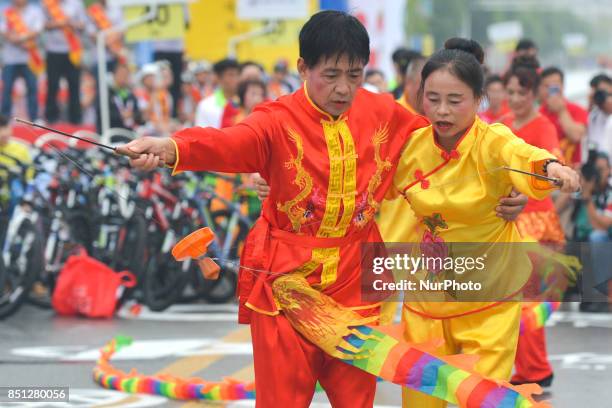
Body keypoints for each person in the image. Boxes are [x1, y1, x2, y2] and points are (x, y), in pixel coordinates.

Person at [121, 11, 431, 407]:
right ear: (303, 67)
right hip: (287, 279)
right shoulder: (276, 120)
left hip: (355, 278)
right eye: (331, 74)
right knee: (282, 399)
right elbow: (230, 142)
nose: (343, 88)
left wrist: (518, 179)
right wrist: (170, 147)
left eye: (354, 75)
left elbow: (441, 149)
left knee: (357, 400)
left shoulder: (383, 112)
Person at [387, 38, 579, 408]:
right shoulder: (410, 146)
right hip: (427, 297)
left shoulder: (492, 141)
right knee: (421, 401)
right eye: (433, 98)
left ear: (478, 100)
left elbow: (523, 156)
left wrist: (553, 169)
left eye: (455, 101)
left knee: (482, 399)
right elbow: (362, 180)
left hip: (486, 300)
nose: (442, 110)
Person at [501, 55, 563, 388]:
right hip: (509, 223)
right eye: (510, 91)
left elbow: (552, 175)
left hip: (537, 225)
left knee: (527, 302)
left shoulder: (544, 127)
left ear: (533, 94)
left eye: (521, 92)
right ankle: (529, 368)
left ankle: (535, 369)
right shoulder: (503, 125)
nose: (514, 98)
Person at [574, 151, 612, 313]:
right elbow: (558, 209)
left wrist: (588, 199)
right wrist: (573, 179)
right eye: (595, 170)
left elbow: (602, 225)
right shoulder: (585, 188)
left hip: (605, 236)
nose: (598, 174)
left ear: (610, 170)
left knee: (596, 238)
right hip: (589, 237)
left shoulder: (609, 193)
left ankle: (601, 295)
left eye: (602, 169)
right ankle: (586, 294)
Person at [42, 0, 85, 124]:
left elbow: (82, 25)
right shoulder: (47, 3)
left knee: (74, 85)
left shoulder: (76, 3)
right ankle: (51, 118)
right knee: (52, 85)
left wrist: (71, 23)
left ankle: (75, 119)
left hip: (73, 51)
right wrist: (59, 23)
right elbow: (42, 25)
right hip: (53, 51)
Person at [0, 0, 44, 121]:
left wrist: (21, 38)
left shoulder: (35, 11)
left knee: (32, 88)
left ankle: (34, 118)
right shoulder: (6, 12)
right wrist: (17, 39)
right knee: (7, 89)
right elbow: (3, 31)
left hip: (30, 58)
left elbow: (37, 30)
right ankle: (4, 119)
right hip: (10, 59)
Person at [539, 66, 588, 167]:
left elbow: (576, 136)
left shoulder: (578, 110)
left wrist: (561, 111)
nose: (551, 90)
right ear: (541, 88)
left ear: (562, 86)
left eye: (555, 86)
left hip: (574, 171)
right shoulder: (538, 114)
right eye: (547, 86)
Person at [96, 63, 142, 132]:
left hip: (129, 132)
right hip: (111, 133)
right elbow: (102, 113)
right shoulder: (106, 93)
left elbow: (138, 115)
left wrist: (132, 115)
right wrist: (120, 115)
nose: (123, 77)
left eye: (126, 74)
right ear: (114, 75)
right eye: (121, 74)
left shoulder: (130, 94)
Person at [194, 58, 239, 128]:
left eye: (237, 75)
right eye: (231, 75)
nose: (236, 79)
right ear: (218, 78)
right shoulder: (206, 105)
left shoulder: (244, 103)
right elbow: (201, 134)